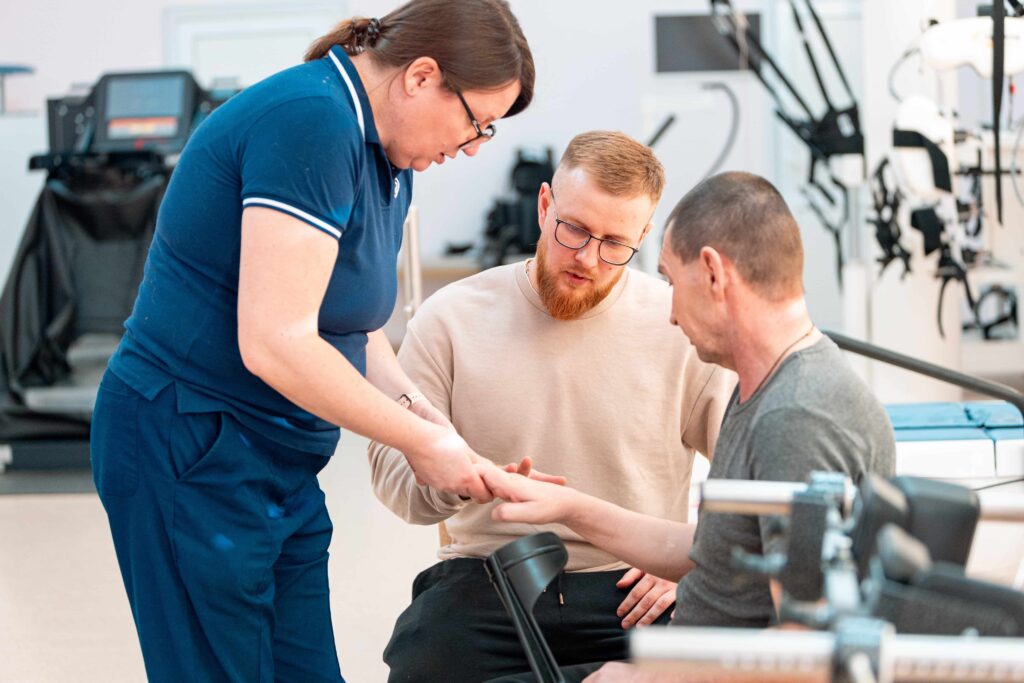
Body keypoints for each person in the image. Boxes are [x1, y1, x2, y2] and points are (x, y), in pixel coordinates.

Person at [89, 2, 534, 681]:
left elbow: (350, 322)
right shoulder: (312, 122)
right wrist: (418, 444)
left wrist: (426, 418)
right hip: (191, 442)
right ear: (421, 77)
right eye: (477, 122)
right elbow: (275, 342)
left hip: (274, 455)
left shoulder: (386, 152)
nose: (474, 146)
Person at [478, 171, 897, 683]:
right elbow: (713, 550)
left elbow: (808, 645)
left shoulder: (796, 417)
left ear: (714, 274)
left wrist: (649, 680)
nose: (672, 315)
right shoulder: (768, 386)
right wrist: (568, 507)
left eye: (673, 283)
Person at [369, 131, 736, 683]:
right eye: (575, 229)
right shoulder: (452, 318)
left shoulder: (679, 324)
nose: (588, 258)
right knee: (424, 665)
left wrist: (692, 565)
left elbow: (751, 478)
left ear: (643, 237)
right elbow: (394, 480)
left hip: (634, 587)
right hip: (489, 579)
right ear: (544, 205)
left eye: (615, 243)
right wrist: (455, 477)